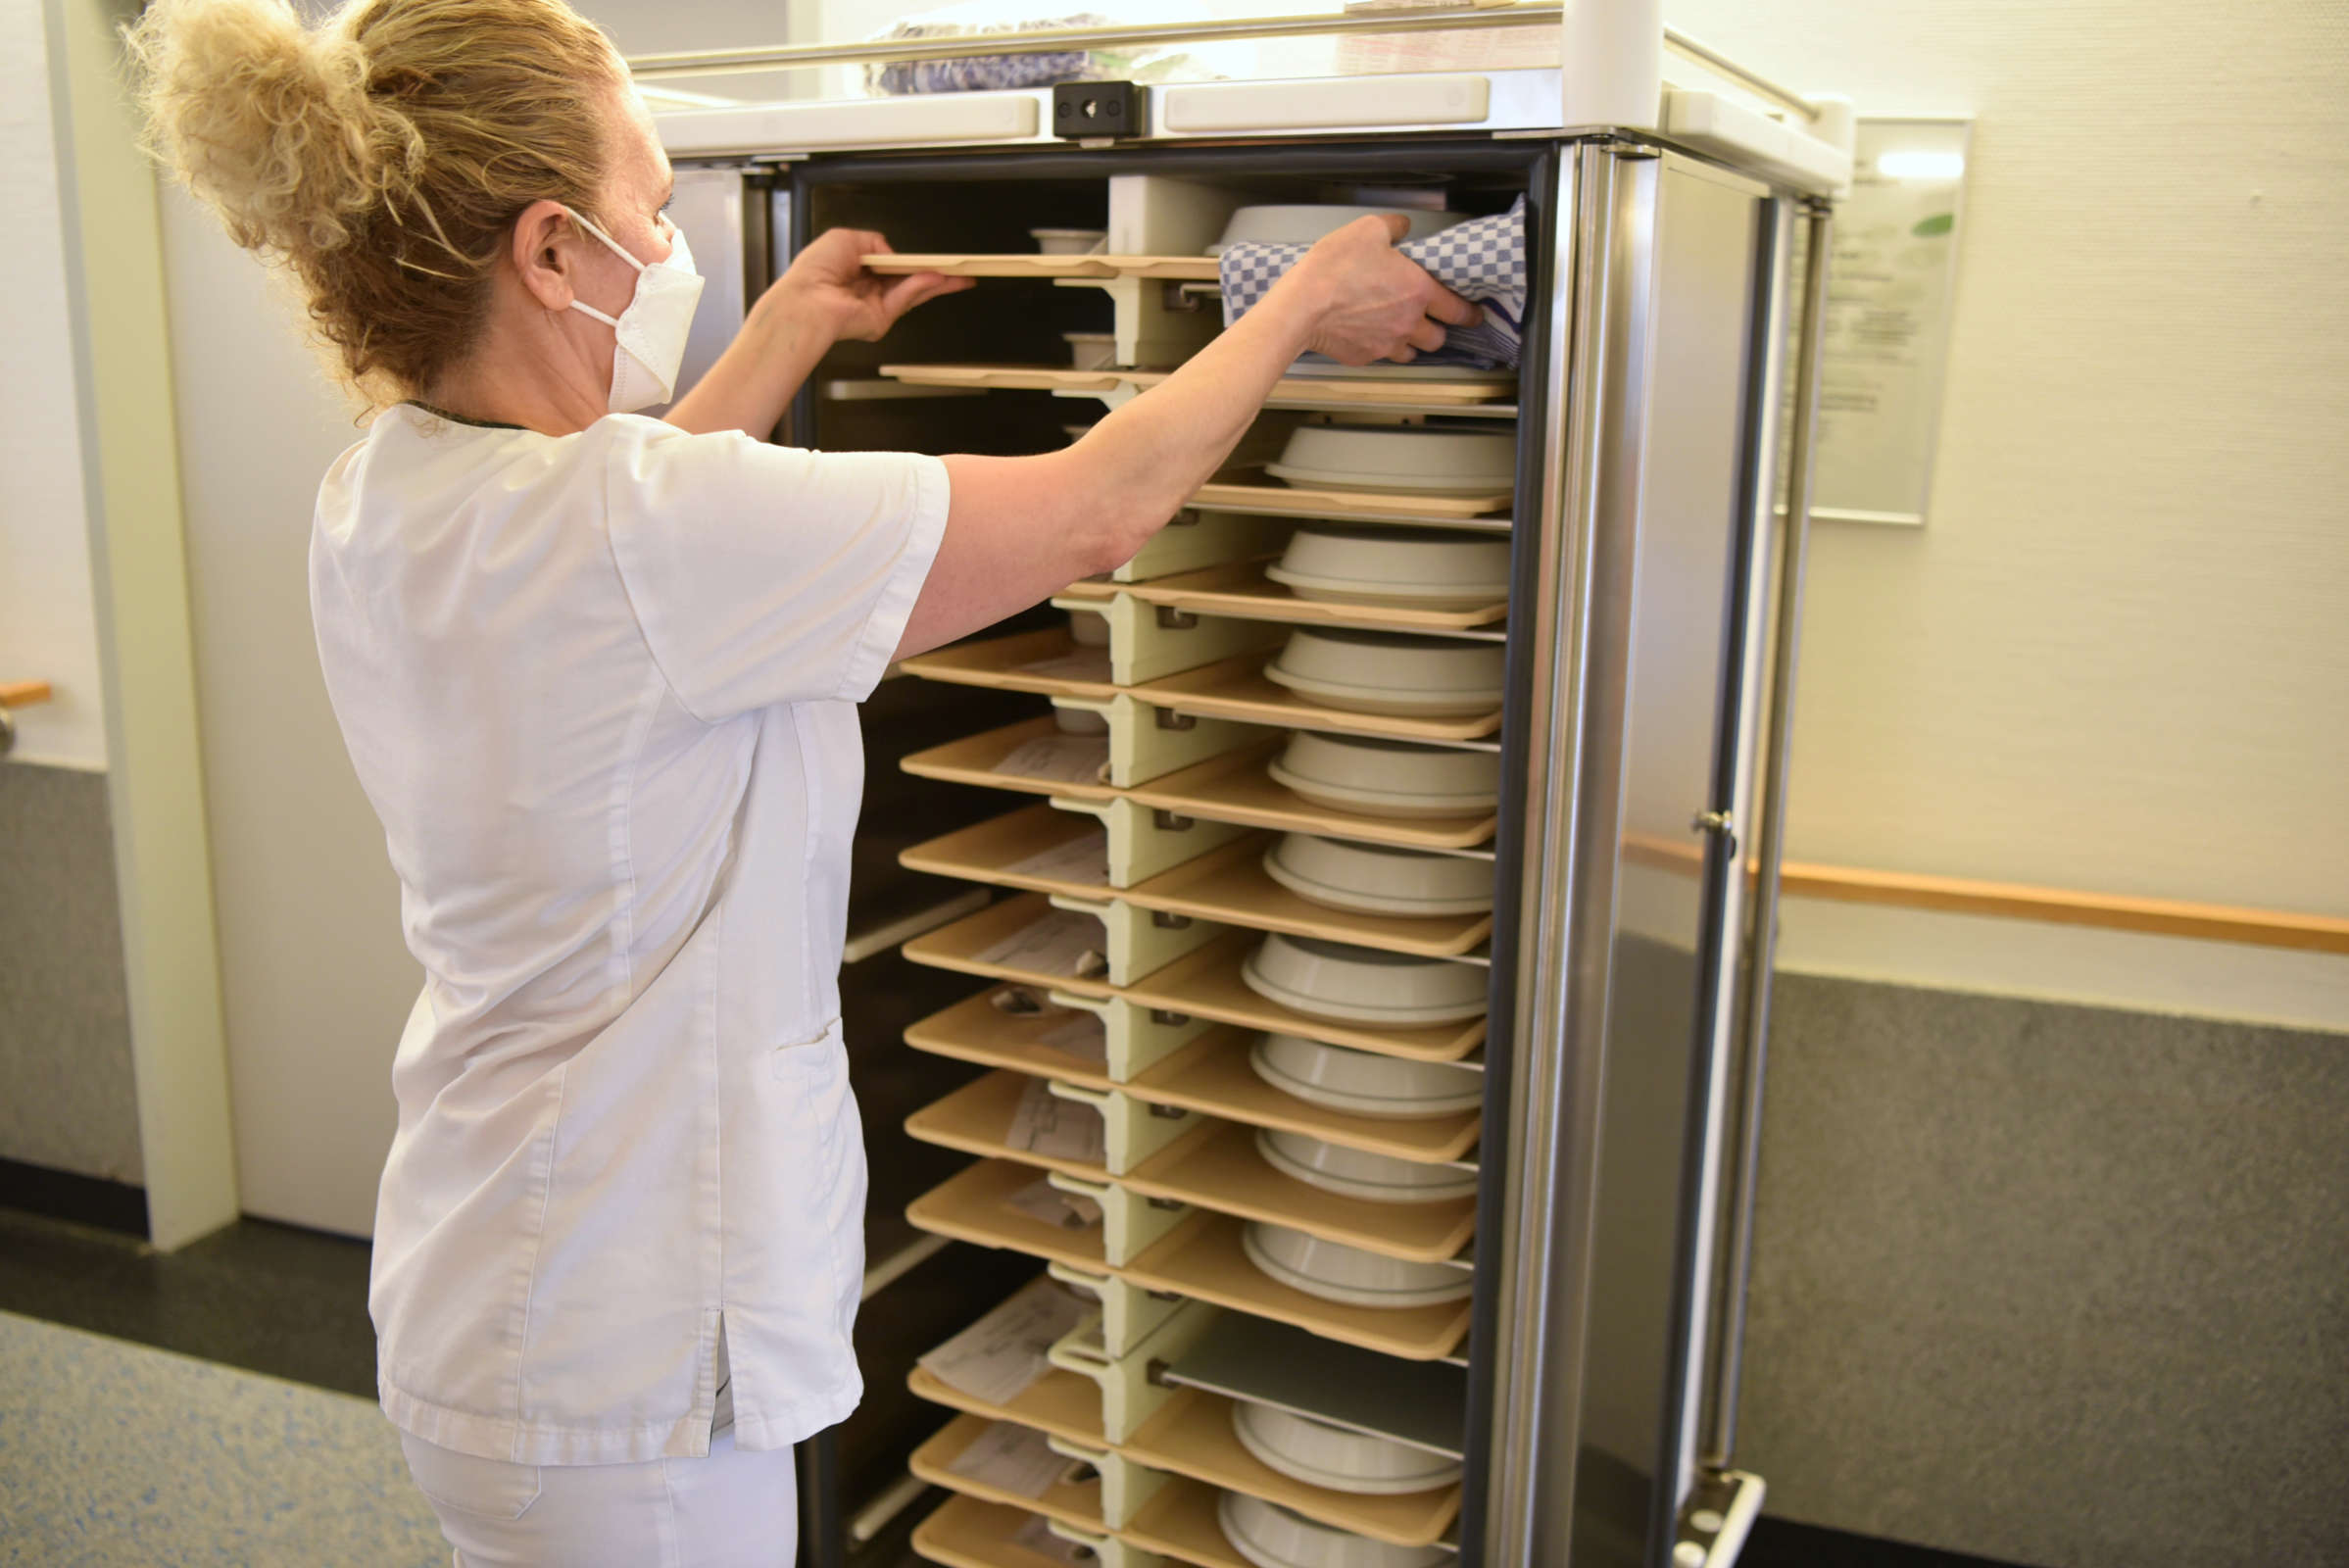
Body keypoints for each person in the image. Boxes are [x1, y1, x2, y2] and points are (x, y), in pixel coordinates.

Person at [129, 0, 1477, 1560]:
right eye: (647, 203)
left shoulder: (393, 487)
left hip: (493, 1297)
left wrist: (780, 336)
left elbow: (631, 587)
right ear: (552, 252)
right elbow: (1093, 511)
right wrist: (1303, 298)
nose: (665, 232)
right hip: (621, 1354)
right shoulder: (638, 527)